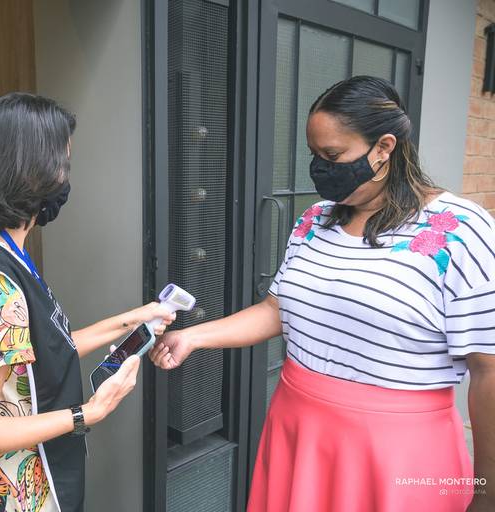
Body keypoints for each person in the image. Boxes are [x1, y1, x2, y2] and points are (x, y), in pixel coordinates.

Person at [150, 76, 495, 511]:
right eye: (315, 156)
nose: (321, 169)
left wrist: (488, 493)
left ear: (384, 148)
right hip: (299, 428)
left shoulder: (460, 230)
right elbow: (278, 309)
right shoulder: (315, 220)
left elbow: (489, 369)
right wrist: (195, 336)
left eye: (333, 156)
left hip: (396, 451)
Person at [0, 93, 176, 512]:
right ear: (29, 171)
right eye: (63, 164)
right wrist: (87, 414)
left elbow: (43, 347)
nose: (64, 178)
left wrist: (135, 317)